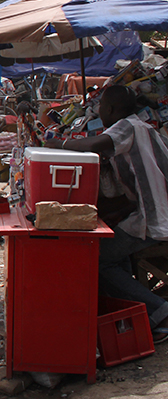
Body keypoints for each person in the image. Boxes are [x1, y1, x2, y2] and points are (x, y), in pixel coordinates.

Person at [46, 85, 168, 343]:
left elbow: (95, 144)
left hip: (155, 217)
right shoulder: (145, 127)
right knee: (111, 249)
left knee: (96, 259)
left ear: (110, 109)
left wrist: (59, 143)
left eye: (101, 108)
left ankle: (158, 312)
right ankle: (128, 315)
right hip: (152, 211)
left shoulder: (127, 127)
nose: (99, 112)